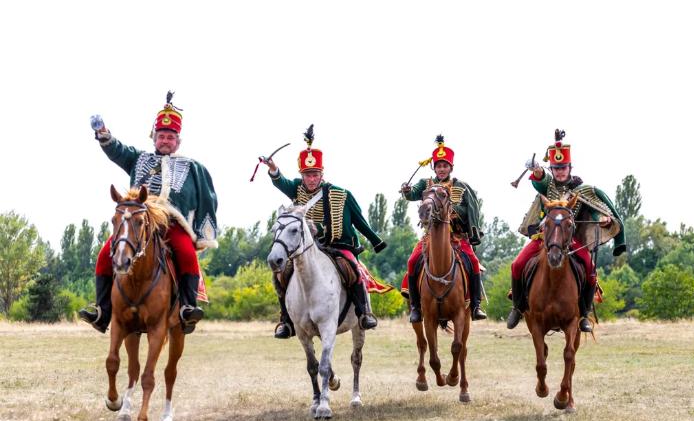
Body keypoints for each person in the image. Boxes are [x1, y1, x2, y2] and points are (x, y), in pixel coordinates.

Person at [79, 91, 218, 334]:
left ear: (178, 141)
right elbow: (117, 150)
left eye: (170, 137)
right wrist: (103, 133)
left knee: (186, 254)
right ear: (154, 138)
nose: (165, 140)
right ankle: (102, 311)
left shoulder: (194, 167)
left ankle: (187, 308)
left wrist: (200, 233)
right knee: (105, 254)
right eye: (161, 136)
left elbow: (208, 199)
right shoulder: (138, 158)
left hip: (173, 224)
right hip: (138, 222)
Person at [266, 124, 388, 339]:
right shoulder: (296, 188)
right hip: (304, 248)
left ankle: (364, 312)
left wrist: (375, 241)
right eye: (307, 175)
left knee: (354, 268)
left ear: (321, 174)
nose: (311, 179)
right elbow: (280, 181)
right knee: (280, 274)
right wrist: (273, 168)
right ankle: (286, 320)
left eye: (315, 175)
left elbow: (360, 221)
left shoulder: (340, 194)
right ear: (302, 175)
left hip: (335, 245)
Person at [507, 129, 625, 332]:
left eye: (563, 168)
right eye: (556, 168)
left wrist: (603, 219)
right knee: (517, 265)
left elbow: (594, 210)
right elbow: (540, 179)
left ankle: (584, 314)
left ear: (570, 167)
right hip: (544, 237)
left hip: (570, 241)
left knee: (590, 270)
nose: (560, 171)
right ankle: (518, 307)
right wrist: (536, 170)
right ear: (552, 169)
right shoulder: (548, 186)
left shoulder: (582, 190)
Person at [400, 134, 487, 323]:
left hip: (456, 236)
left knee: (472, 261)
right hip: (431, 236)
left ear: (451, 167)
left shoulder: (460, 187)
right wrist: (407, 191)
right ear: (434, 167)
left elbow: (468, 209)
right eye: (438, 165)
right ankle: (415, 307)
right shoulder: (426, 184)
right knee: (412, 260)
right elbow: (414, 194)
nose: (441, 169)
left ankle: (476, 305)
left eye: (445, 166)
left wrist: (450, 208)